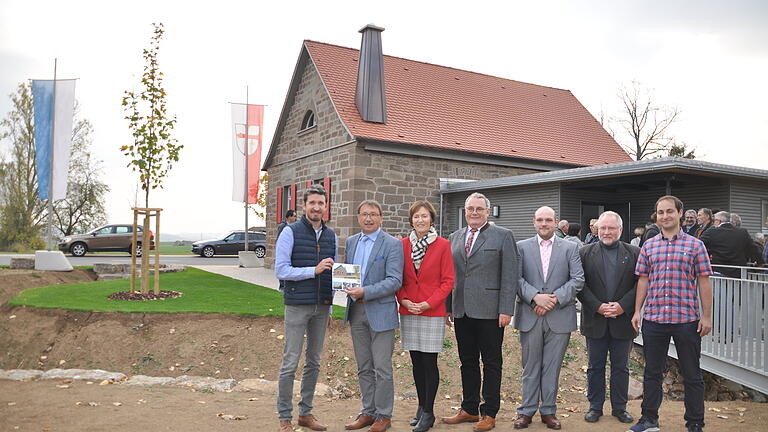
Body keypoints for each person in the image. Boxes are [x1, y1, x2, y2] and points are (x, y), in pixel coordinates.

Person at [630, 195, 713, 432]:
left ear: (679, 213)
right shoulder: (649, 245)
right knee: (652, 372)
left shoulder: (695, 245)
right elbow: (643, 281)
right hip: (654, 319)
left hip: (686, 321)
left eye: (669, 211)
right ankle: (648, 420)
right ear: (656, 216)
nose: (665, 216)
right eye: (660, 212)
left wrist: (706, 316)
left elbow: (704, 282)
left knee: (692, 373)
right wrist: (637, 311)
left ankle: (695, 422)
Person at [442, 192, 520, 432]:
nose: (474, 213)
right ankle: (469, 408)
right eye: (469, 209)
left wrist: (506, 309)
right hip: (462, 310)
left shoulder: (503, 236)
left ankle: (490, 412)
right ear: (464, 212)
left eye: (478, 209)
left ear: (488, 211)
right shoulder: (454, 237)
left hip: (490, 312)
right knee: (467, 361)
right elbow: (449, 275)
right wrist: (448, 307)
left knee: (492, 362)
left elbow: (510, 275)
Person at [513, 206, 584, 430]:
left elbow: (578, 279)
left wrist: (552, 299)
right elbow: (515, 278)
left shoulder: (571, 248)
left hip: (559, 315)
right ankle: (526, 411)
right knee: (530, 366)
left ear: (556, 223)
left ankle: (548, 411)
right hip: (530, 313)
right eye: (540, 220)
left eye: (548, 220)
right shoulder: (521, 248)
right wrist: (535, 297)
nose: (544, 224)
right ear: (534, 222)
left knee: (552, 367)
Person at [274, 185, 337, 432]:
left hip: (321, 307)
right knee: (290, 362)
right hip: (297, 305)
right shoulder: (290, 232)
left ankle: (306, 413)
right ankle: (285, 417)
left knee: (314, 362)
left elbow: (332, 275)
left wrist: (330, 307)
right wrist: (314, 270)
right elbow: (281, 270)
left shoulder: (331, 236)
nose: (317, 207)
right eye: (312, 202)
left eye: (321, 203)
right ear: (304, 205)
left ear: (325, 206)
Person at [343, 200, 404, 432]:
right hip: (356, 311)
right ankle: (368, 412)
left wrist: (366, 292)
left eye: (373, 214)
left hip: (381, 312)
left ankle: (384, 415)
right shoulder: (351, 242)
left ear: (381, 217)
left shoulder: (391, 244)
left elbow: (394, 280)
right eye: (364, 214)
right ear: (358, 217)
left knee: (382, 368)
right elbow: (348, 274)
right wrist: (343, 286)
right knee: (364, 366)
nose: (368, 218)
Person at [577, 211, 639, 425]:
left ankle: (620, 408)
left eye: (611, 228)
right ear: (596, 229)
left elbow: (640, 284)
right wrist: (598, 306)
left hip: (623, 320)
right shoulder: (584, 252)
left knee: (621, 367)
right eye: (602, 228)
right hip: (595, 319)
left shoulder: (635, 253)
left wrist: (623, 306)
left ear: (620, 230)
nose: (606, 232)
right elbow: (579, 284)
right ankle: (595, 407)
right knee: (595, 366)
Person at [397, 200, 455, 432]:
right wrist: (404, 299)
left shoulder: (443, 245)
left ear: (431, 219)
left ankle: (429, 412)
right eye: (416, 216)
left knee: (429, 362)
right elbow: (396, 276)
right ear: (411, 220)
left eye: (424, 216)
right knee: (416, 361)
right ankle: (421, 407)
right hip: (409, 308)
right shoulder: (402, 245)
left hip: (431, 310)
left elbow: (448, 280)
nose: (420, 220)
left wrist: (428, 303)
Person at [700, 211, 760, 278]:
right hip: (738, 272)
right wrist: (760, 262)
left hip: (719, 271)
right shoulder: (742, 232)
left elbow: (699, 245)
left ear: (718, 221)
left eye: (714, 221)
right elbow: (754, 249)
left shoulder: (711, 231)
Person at [277, 209, 299, 291]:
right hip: (284, 251)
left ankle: (288, 286)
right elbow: (279, 239)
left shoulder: (294, 227)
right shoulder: (283, 226)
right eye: (294, 216)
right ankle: (282, 287)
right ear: (289, 217)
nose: (295, 218)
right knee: (283, 267)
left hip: (291, 251)